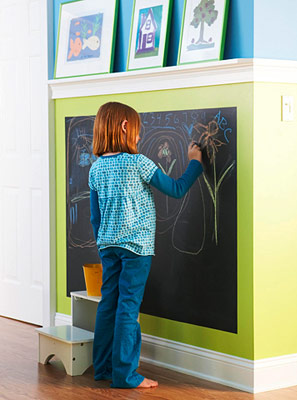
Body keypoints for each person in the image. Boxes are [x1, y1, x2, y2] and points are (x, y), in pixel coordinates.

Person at [88, 102, 203, 389]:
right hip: (137, 248)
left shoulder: (96, 168)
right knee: (128, 307)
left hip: (108, 246)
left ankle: (102, 368)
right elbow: (176, 189)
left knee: (108, 304)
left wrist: (104, 241)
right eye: (138, 131)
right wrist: (195, 163)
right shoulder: (138, 163)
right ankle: (125, 375)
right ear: (125, 128)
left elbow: (94, 216)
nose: (140, 137)